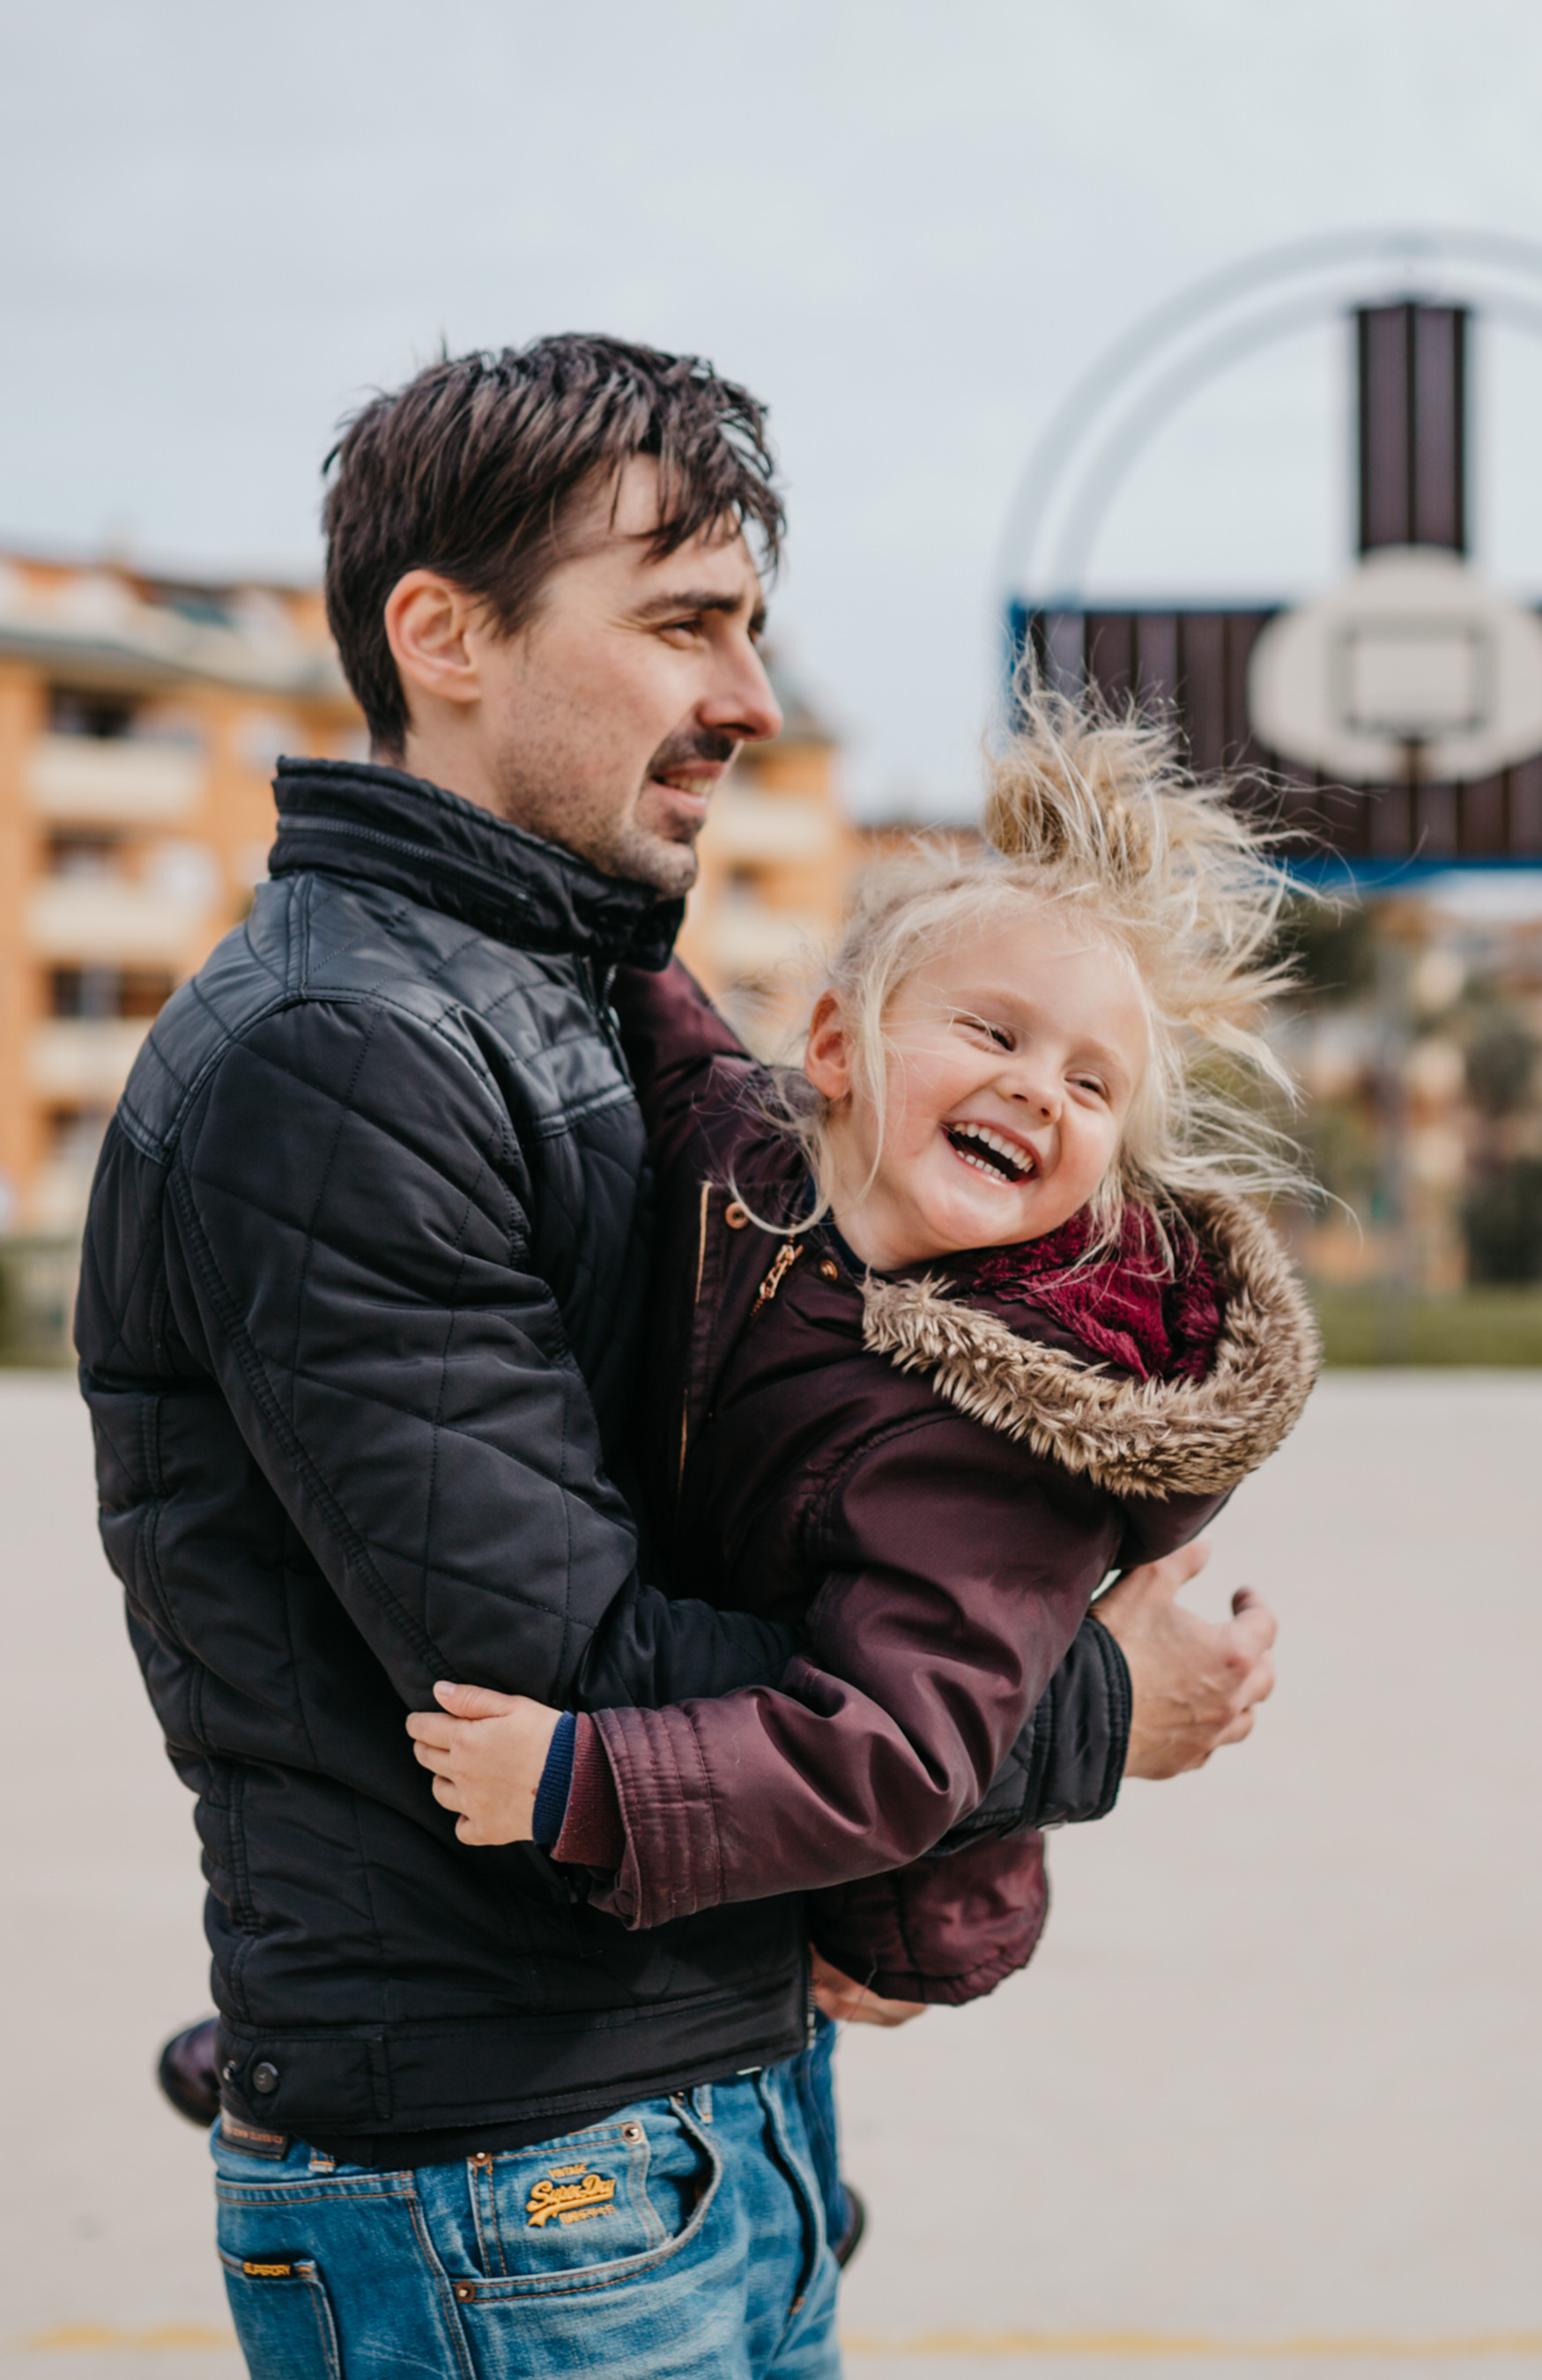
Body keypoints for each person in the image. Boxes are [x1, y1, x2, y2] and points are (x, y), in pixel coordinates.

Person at [79, 335, 1279, 2380]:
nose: (743, 694)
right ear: (443, 635)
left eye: (751, 630)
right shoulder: (342, 1057)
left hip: (688, 2111)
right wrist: (1091, 1709)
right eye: (682, 626)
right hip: (508, 2175)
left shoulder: (590, 1003)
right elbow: (565, 1677)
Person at [404, 696, 1317, 2008]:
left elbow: (889, 1752)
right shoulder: (749, 1152)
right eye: (995, 1032)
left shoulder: (996, 1431)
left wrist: (585, 1783)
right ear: (836, 1046)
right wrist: (586, 874)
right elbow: (671, 1031)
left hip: (876, 1894)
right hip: (729, 1736)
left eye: (1092, 1082)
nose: (1037, 1089)